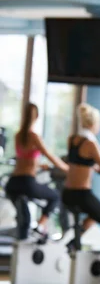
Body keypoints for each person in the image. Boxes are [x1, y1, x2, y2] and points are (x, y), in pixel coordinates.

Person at [62, 103, 100, 282]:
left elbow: (79, 163)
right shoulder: (91, 143)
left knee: (95, 216)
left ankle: (74, 242)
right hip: (82, 194)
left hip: (67, 193)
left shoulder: (72, 139)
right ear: (94, 124)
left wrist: (93, 168)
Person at [5, 102, 68, 241]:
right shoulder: (34, 136)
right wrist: (67, 168)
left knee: (24, 218)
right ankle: (39, 227)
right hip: (27, 183)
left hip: (13, 183)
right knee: (55, 196)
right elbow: (50, 155)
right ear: (37, 117)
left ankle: (23, 238)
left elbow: (25, 160)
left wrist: (39, 166)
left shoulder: (18, 136)